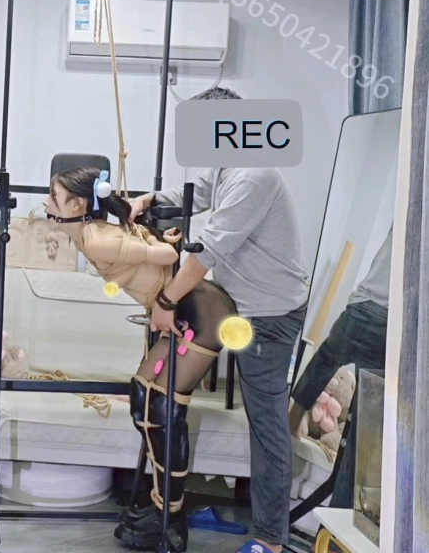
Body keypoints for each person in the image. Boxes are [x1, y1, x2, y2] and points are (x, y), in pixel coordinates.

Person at [45, 166, 241, 552]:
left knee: (162, 407)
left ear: (78, 204)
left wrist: (163, 245)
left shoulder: (96, 239)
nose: (46, 203)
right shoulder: (89, 234)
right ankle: (163, 507)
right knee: (145, 398)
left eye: (54, 196)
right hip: (187, 311)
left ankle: (171, 519)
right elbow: (153, 252)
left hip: (202, 314)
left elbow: (167, 254)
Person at [128, 165, 309, 553]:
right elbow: (196, 193)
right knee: (157, 397)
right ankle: (167, 509)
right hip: (234, 304)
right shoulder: (228, 165)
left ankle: (270, 541)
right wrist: (148, 200)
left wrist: (166, 302)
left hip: (268, 314)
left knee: (266, 424)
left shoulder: (256, 176)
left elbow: (208, 252)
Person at [289, 224, 392, 509]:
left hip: (363, 306)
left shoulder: (409, 204)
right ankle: (341, 512)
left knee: (325, 359)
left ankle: (293, 420)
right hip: (390, 324)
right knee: (364, 427)